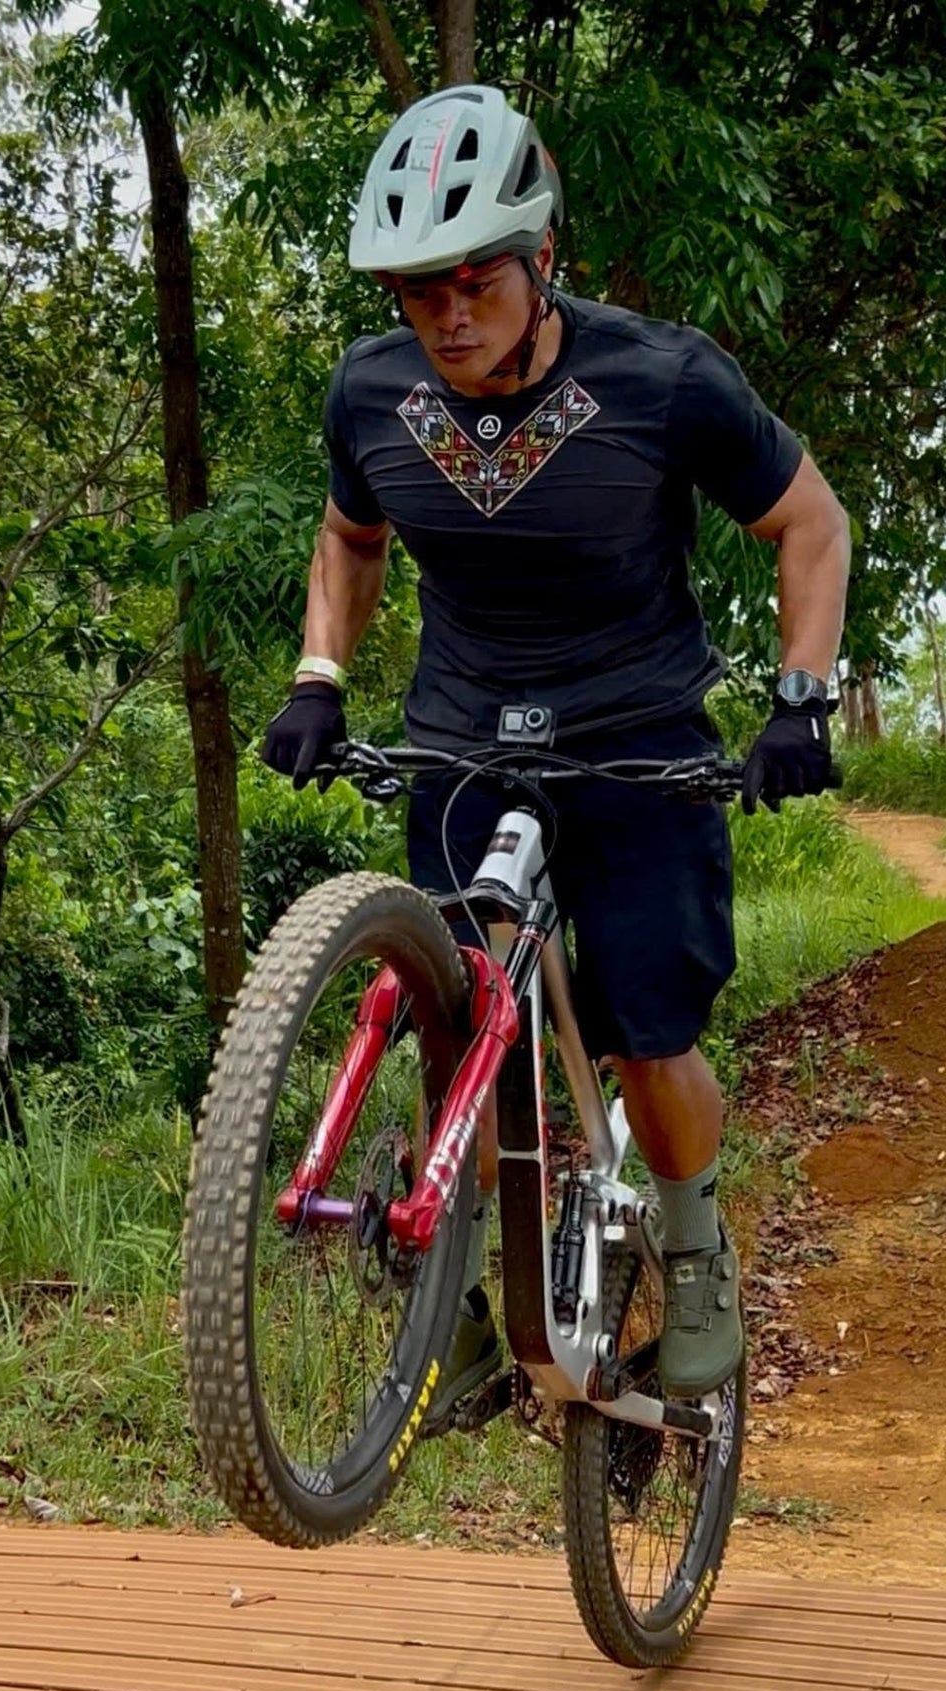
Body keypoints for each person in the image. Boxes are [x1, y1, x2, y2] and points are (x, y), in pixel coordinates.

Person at [263, 84, 849, 1427]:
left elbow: (808, 524)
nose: (448, 315)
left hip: (636, 741)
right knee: (459, 1020)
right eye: (419, 292)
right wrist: (318, 675)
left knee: (651, 1030)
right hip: (462, 742)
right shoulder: (369, 392)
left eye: (474, 281)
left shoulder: (664, 379)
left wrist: (798, 700)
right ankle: (451, 1302)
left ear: (540, 264)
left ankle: (694, 1250)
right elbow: (350, 540)